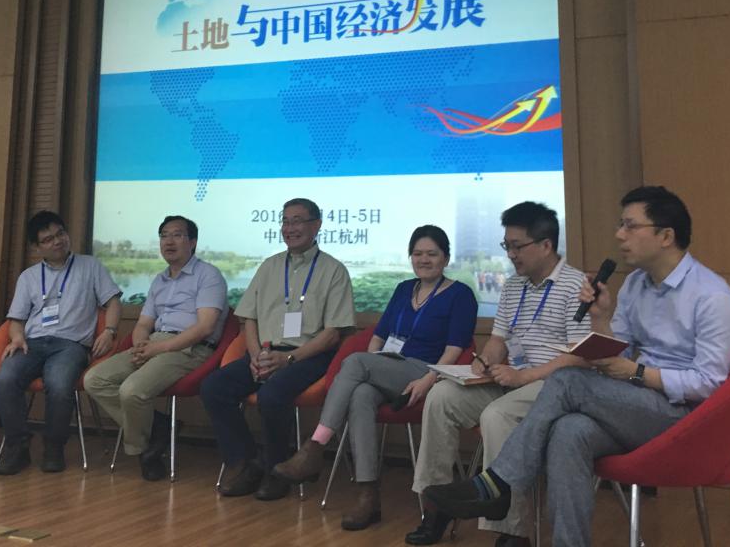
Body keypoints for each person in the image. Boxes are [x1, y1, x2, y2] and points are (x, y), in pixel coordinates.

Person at [424, 186, 730, 547]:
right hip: (635, 404)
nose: (619, 235)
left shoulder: (712, 296)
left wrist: (638, 373)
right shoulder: (636, 284)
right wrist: (600, 318)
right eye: (620, 225)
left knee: (568, 379)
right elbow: (615, 347)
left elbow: (710, 385)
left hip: (685, 418)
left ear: (665, 236)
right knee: (569, 431)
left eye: (630, 226)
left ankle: (499, 482)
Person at [404, 203, 592, 547]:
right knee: (441, 397)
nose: (511, 254)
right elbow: (498, 339)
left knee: (497, 415)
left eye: (517, 246)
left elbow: (581, 357)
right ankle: (437, 504)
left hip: (554, 385)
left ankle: (511, 529)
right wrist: (484, 359)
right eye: (507, 245)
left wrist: (525, 376)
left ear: (546, 245)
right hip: (510, 380)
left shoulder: (577, 286)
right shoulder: (513, 286)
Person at [273, 224, 477, 531]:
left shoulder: (460, 295)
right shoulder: (404, 289)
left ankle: (315, 446)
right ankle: (368, 496)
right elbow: (379, 336)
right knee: (361, 394)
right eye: (417, 253)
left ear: (445, 258)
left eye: (432, 254)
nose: (424, 260)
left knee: (355, 362)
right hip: (388, 367)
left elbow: (455, 349)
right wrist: (372, 363)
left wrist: (428, 380)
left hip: (424, 371)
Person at [200, 197, 355, 502]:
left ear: (316, 225)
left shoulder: (334, 270)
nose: (290, 228)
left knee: (272, 395)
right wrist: (255, 355)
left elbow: (333, 334)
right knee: (214, 387)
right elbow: (248, 318)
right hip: (265, 352)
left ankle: (276, 470)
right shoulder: (269, 266)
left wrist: (288, 359)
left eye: (297, 221)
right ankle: (247, 462)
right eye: (285, 221)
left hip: (309, 355)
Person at [84, 215, 228, 481]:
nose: (169, 241)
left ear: (192, 242)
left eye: (177, 235)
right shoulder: (159, 281)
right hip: (155, 342)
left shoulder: (209, 275)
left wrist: (160, 349)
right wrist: (142, 344)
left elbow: (205, 327)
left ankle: (144, 449)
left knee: (131, 390)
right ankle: (159, 427)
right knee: (95, 379)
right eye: (164, 236)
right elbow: (143, 324)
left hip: (190, 348)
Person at [0, 210, 122, 475]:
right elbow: (16, 319)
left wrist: (109, 331)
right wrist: (17, 337)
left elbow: (113, 302)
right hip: (32, 343)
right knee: (5, 378)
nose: (58, 241)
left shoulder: (90, 266)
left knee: (59, 383)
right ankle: (18, 446)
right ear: (37, 247)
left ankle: (54, 447)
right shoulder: (29, 277)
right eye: (48, 239)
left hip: (71, 344)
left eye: (60, 234)